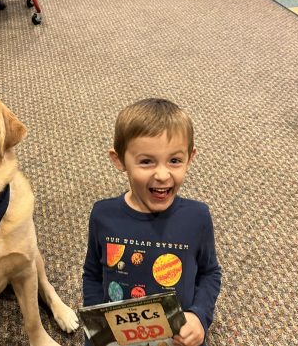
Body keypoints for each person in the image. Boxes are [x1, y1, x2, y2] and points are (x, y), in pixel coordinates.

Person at [82, 98, 222, 346]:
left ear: (190, 158)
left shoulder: (197, 217)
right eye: (146, 161)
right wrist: (97, 325)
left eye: (175, 160)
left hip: (178, 338)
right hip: (119, 336)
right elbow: (92, 274)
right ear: (119, 160)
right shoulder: (103, 215)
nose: (162, 174)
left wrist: (199, 316)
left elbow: (210, 272)